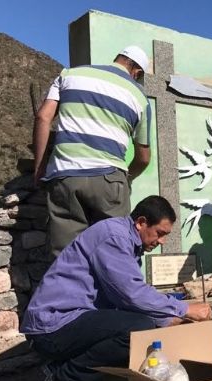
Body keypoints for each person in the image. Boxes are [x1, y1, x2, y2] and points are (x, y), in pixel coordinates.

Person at [20, 196, 212, 381]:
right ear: (141, 222)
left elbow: (124, 298)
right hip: (52, 327)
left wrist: (166, 318)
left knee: (144, 325)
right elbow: (132, 294)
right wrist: (184, 309)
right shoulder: (113, 238)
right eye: (160, 233)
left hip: (64, 323)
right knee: (139, 328)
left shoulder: (125, 241)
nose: (162, 242)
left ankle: (60, 366)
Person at [32, 45, 153, 257]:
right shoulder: (139, 97)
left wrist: (40, 167)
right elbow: (143, 157)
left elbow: (43, 117)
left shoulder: (69, 74)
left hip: (66, 176)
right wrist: (126, 179)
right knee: (113, 256)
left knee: (67, 258)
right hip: (110, 180)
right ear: (137, 72)